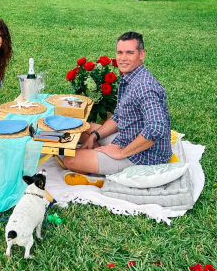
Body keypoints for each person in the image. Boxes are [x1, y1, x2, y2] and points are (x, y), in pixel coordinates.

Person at [64, 31, 172, 187]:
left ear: (142, 54)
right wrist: (95, 136)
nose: (123, 58)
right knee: (82, 129)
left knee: (70, 159)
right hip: (127, 137)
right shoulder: (130, 76)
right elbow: (119, 116)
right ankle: (100, 152)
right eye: (120, 52)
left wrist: (121, 153)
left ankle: (102, 172)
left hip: (144, 156)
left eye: (130, 53)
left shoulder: (144, 86)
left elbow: (157, 128)